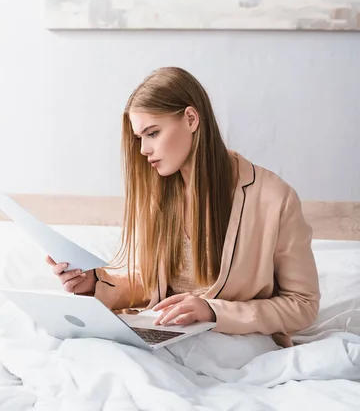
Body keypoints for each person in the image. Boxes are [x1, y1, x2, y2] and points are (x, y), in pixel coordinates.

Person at [46, 67, 320, 348]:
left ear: (191, 119)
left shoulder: (274, 198)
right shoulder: (157, 194)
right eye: (140, 137)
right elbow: (150, 283)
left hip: (230, 343)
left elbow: (303, 305)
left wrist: (213, 311)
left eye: (152, 133)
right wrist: (94, 285)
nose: (143, 150)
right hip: (165, 336)